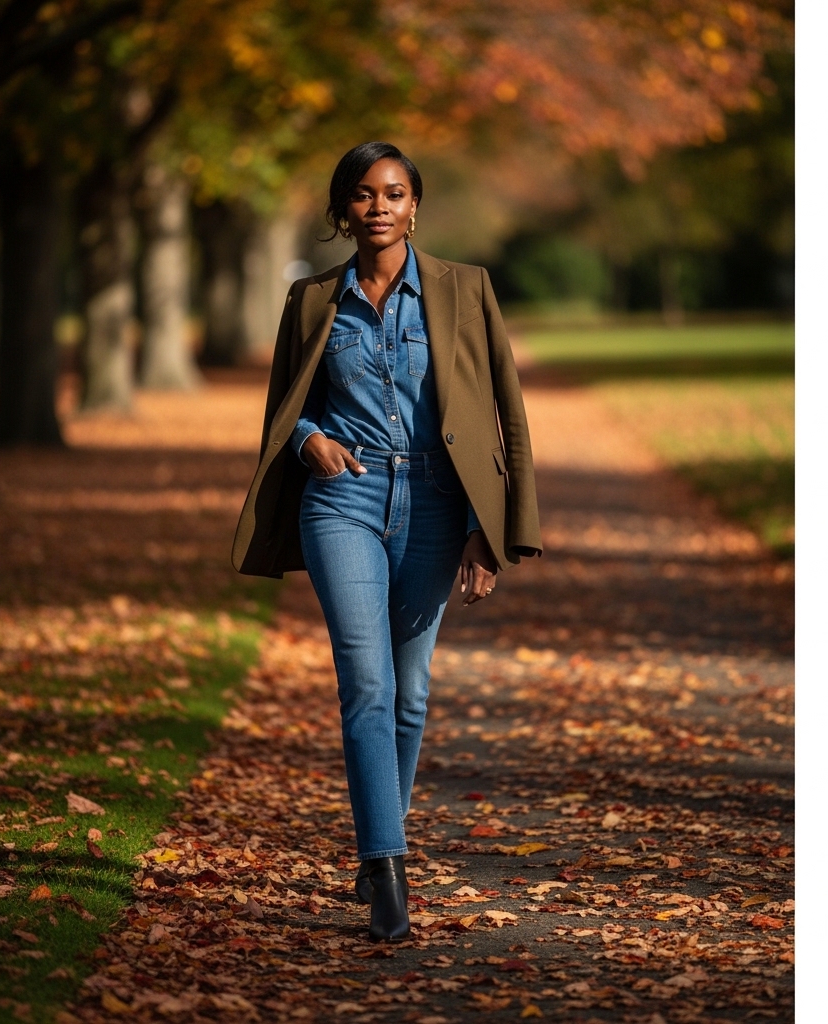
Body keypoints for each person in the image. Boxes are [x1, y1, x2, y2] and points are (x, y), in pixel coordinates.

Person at [232, 142, 542, 941]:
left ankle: (378, 847)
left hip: (439, 502)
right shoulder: (310, 300)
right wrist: (308, 441)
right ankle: (389, 874)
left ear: (414, 207)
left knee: (410, 691)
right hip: (343, 499)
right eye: (364, 195)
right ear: (345, 211)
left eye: (394, 194)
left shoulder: (463, 290)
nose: (379, 207)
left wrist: (491, 529)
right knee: (366, 684)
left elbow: (505, 411)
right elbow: (283, 408)